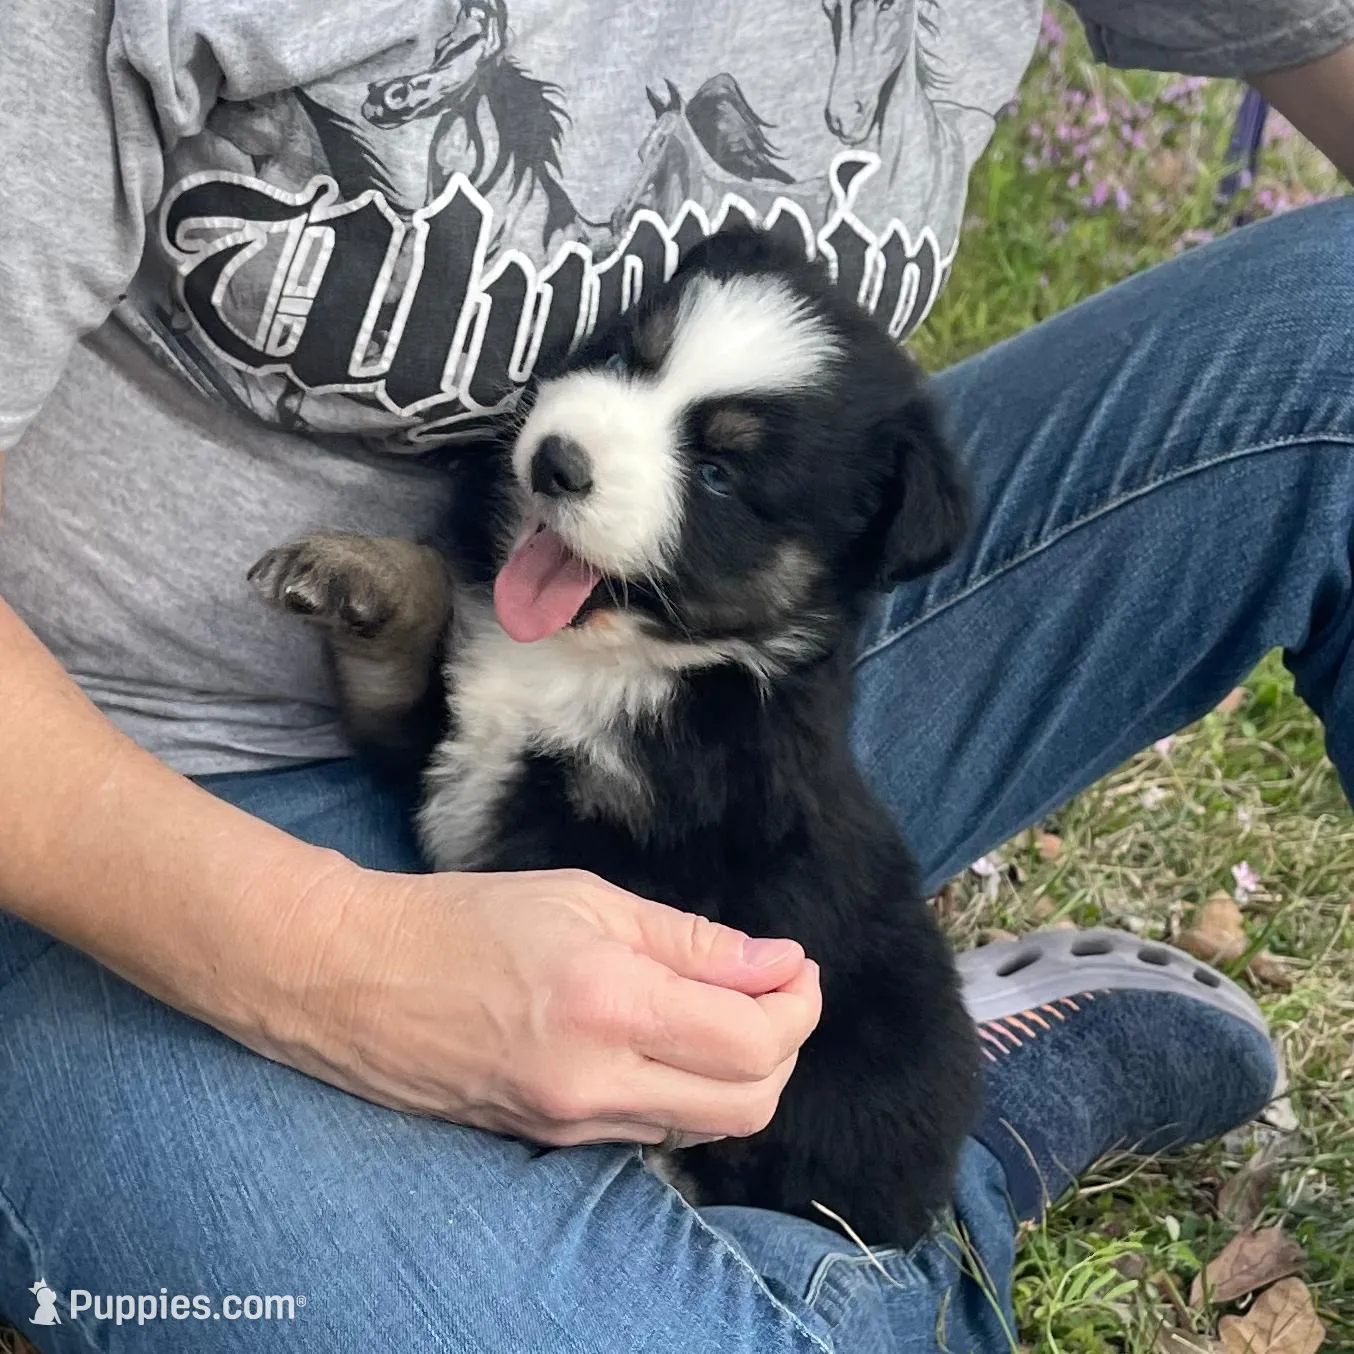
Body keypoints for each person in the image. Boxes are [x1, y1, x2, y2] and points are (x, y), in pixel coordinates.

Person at [0, 0, 1348, 1348]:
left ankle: (850, 1159)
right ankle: (958, 1175)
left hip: (722, 727)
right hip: (107, 825)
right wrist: (334, 962)